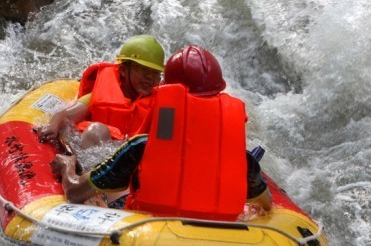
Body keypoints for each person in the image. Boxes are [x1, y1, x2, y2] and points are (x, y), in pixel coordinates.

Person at [51, 45, 272, 217]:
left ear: (169, 96)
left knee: (112, 189)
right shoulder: (241, 159)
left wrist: (67, 166)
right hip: (219, 239)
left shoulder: (141, 147)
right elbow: (266, 204)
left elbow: (75, 192)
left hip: (145, 232)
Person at [38, 35, 165, 148]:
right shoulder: (101, 95)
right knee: (97, 130)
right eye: (143, 69)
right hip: (96, 159)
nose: (150, 77)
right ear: (123, 70)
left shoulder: (160, 103)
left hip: (132, 163)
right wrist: (53, 126)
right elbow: (65, 115)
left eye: (155, 73)